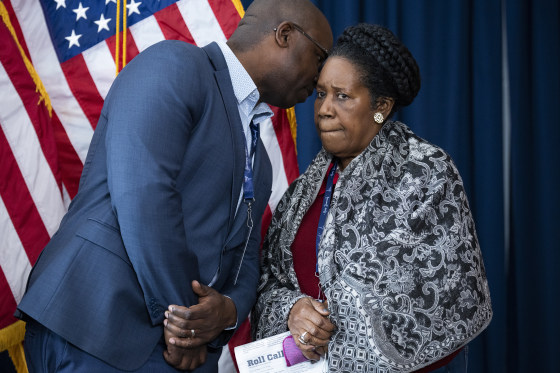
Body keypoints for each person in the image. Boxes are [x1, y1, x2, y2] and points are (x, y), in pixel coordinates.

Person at [15, 0, 333, 371]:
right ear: (285, 35)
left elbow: (245, 260)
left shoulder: (258, 160)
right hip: (98, 328)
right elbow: (144, 195)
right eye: (319, 56)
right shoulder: (176, 64)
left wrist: (227, 311)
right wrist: (186, 324)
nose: (321, 78)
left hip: (173, 351)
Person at [248, 23, 493, 372]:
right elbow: (268, 278)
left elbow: (446, 299)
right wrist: (293, 309)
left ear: (381, 106)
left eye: (342, 96)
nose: (324, 109)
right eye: (320, 94)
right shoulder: (304, 190)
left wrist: (331, 322)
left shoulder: (427, 175)